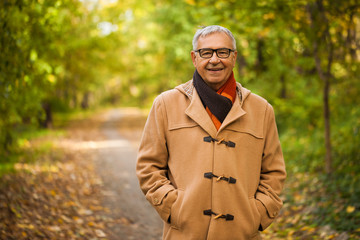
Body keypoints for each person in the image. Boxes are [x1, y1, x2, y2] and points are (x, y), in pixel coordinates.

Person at [136, 25, 286, 240]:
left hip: (242, 233)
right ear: (194, 58)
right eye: (206, 53)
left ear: (234, 57)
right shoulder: (166, 104)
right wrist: (174, 207)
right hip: (185, 233)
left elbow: (274, 171)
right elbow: (148, 167)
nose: (214, 60)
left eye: (222, 52)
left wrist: (258, 213)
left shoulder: (261, 110)